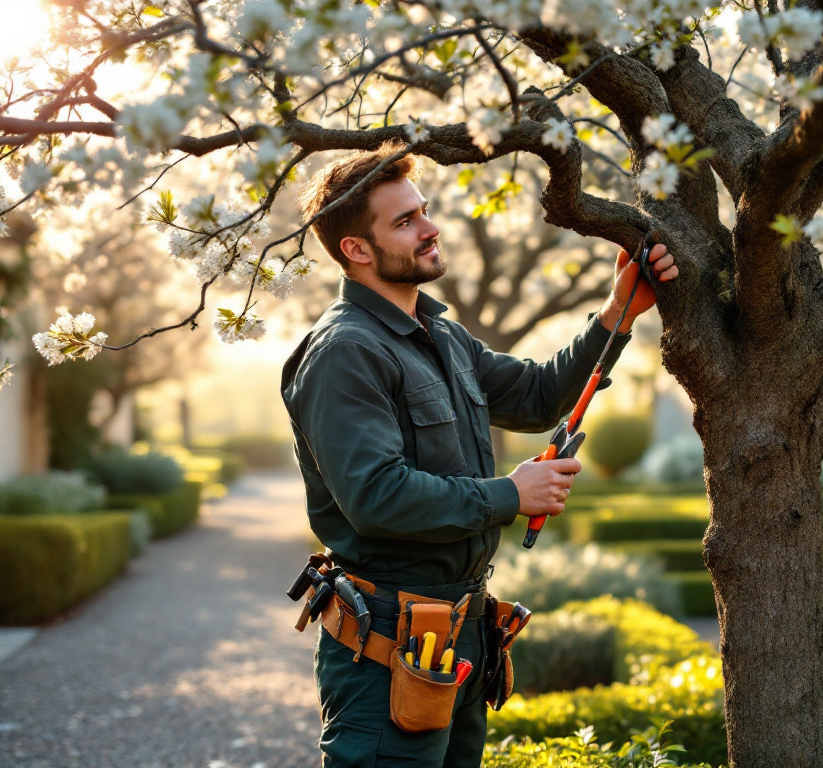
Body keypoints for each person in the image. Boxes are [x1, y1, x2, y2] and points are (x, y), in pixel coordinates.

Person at [280, 140, 677, 768]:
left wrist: (617, 310)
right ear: (355, 250)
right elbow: (376, 497)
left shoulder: (440, 334)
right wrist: (509, 495)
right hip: (385, 646)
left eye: (424, 210)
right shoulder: (344, 353)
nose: (430, 228)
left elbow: (538, 396)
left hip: (455, 638)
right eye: (405, 221)